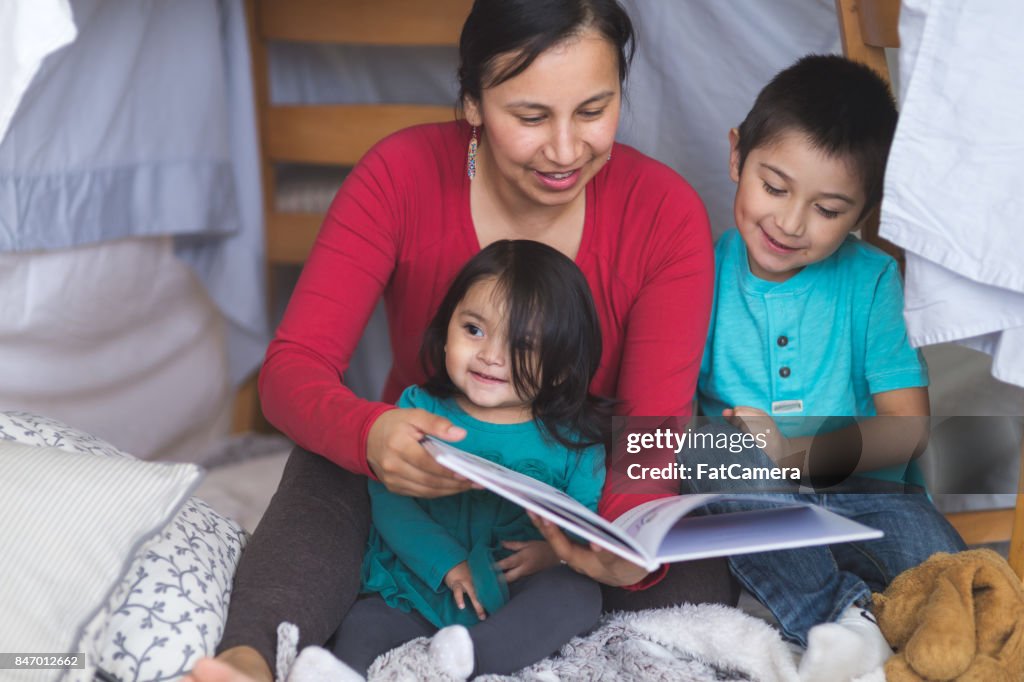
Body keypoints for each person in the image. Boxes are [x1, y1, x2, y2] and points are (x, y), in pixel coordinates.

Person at [187, 1, 732, 681]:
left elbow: (652, 432)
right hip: (423, 482)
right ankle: (249, 659)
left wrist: (620, 537)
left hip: (570, 509)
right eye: (530, 117)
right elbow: (292, 371)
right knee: (326, 467)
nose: (565, 150)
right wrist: (370, 434)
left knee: (701, 560)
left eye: (594, 111)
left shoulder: (664, 213)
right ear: (472, 100)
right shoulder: (400, 175)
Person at [687, 55, 966, 682]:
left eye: (829, 209)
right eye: (775, 187)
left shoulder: (871, 281)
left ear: (866, 210)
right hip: (754, 500)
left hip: (864, 500)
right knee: (721, 457)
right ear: (737, 156)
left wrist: (795, 453)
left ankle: (836, 607)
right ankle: (843, 616)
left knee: (945, 566)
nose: (789, 223)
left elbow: (906, 427)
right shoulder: (698, 276)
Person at [335, 239, 607, 677]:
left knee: (578, 595)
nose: (491, 356)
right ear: (446, 330)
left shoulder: (577, 443)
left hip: (514, 589)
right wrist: (446, 564)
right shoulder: (420, 409)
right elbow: (389, 499)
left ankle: (470, 658)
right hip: (422, 582)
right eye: (474, 330)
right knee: (363, 621)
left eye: (523, 345)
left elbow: (586, 521)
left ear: (559, 369)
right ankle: (332, 672)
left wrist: (552, 554)